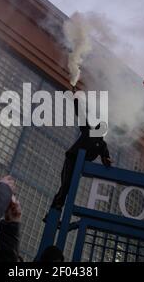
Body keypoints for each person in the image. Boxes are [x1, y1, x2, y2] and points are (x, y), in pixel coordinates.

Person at [46, 89, 112, 219]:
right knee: (66, 185)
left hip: (80, 165)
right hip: (72, 159)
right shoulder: (88, 130)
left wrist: (107, 161)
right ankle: (54, 211)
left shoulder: (102, 144)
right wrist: (76, 100)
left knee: (69, 187)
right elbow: (80, 114)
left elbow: (106, 158)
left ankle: (56, 212)